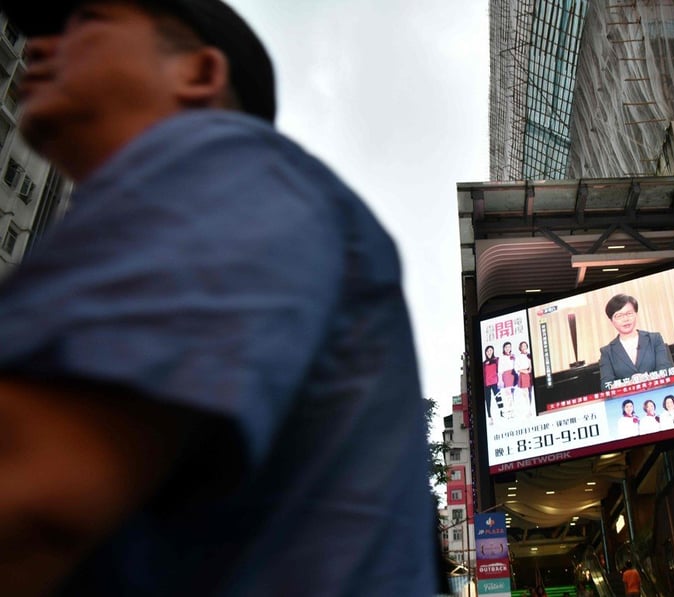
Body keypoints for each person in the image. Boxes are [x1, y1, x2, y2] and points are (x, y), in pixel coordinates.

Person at [0, 1, 437, 595]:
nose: (40, 49)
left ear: (200, 73)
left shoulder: (228, 166)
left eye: (88, 23)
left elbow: (34, 495)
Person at [598, 294, 674, 390]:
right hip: (627, 401)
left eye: (629, 313)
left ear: (636, 314)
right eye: (619, 316)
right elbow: (606, 386)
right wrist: (630, 384)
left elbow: (666, 371)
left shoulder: (655, 339)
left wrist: (643, 380)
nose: (625, 319)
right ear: (612, 321)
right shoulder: (607, 352)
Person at [482, 345, 502, 421]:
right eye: (488, 351)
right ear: (486, 353)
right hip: (486, 384)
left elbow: (499, 370)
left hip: (495, 382)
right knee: (488, 400)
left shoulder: (496, 359)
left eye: (491, 350)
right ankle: (490, 416)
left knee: (498, 398)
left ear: (493, 351)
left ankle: (502, 412)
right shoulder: (483, 363)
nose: (489, 352)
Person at [515, 340, 534, 416]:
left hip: (530, 374)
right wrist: (524, 371)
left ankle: (530, 409)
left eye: (525, 345)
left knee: (530, 392)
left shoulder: (529, 355)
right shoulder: (518, 357)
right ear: (520, 347)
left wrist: (530, 369)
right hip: (523, 374)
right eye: (522, 346)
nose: (524, 347)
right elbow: (516, 367)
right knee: (525, 394)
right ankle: (528, 410)